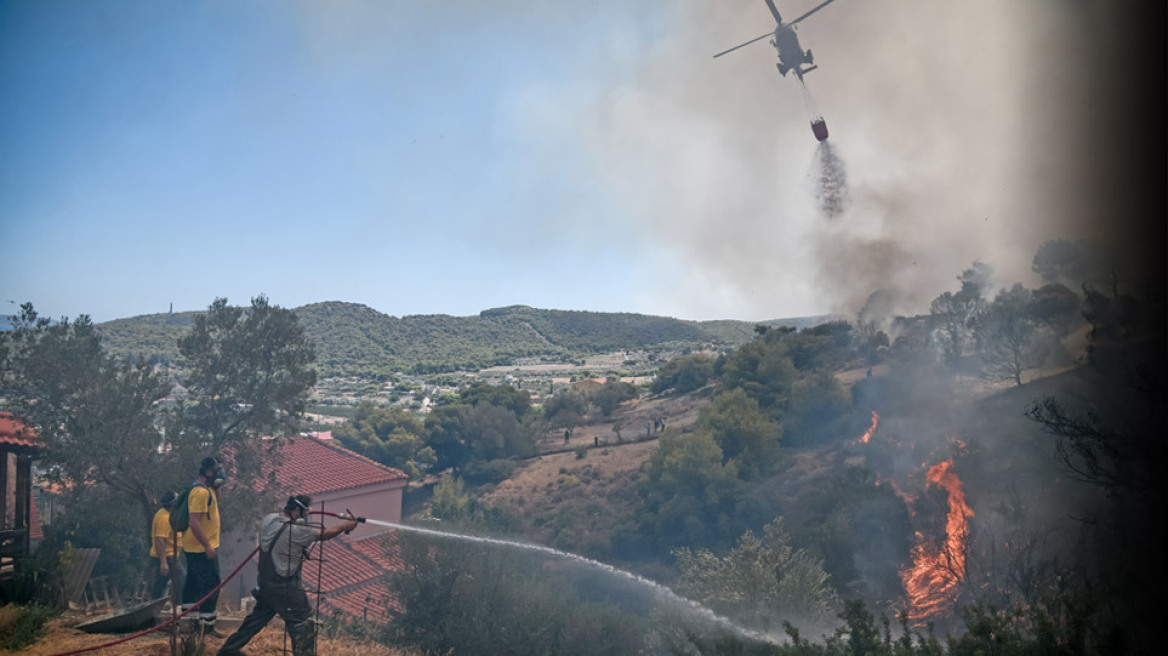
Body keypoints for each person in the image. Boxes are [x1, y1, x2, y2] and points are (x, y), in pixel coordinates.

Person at [217, 495, 358, 656]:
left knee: (256, 620)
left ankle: (228, 651)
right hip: (285, 588)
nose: (304, 517)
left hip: (264, 584)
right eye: (304, 513)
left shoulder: (268, 519)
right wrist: (345, 526)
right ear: (297, 510)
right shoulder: (296, 532)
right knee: (302, 623)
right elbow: (325, 534)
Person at [182, 457, 226, 637]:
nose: (219, 472)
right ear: (207, 472)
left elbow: (217, 501)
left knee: (192, 584)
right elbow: (194, 522)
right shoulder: (200, 493)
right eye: (216, 470)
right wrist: (208, 546)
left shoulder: (207, 490)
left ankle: (189, 623)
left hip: (197, 547)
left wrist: (217, 486)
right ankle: (206, 627)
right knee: (211, 585)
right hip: (200, 549)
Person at [149, 491, 182, 601]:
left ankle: (153, 606)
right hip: (167, 556)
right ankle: (183, 607)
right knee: (182, 581)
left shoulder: (167, 514)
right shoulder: (164, 518)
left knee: (160, 585)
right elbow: (159, 539)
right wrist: (163, 562)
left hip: (171, 555)